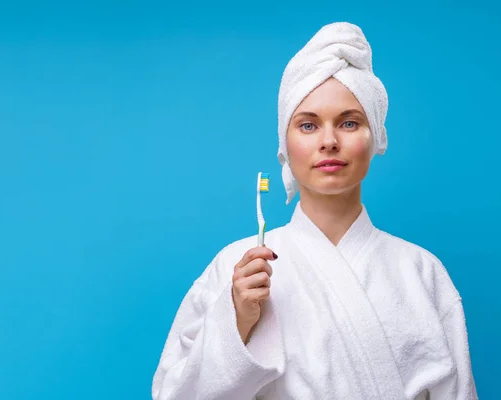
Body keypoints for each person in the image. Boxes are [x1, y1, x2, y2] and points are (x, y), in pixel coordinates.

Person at [151, 22, 478, 400]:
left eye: (349, 123)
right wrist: (236, 319)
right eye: (307, 125)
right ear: (285, 144)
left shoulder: (422, 272)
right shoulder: (235, 270)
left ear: (375, 138)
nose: (328, 141)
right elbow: (173, 394)